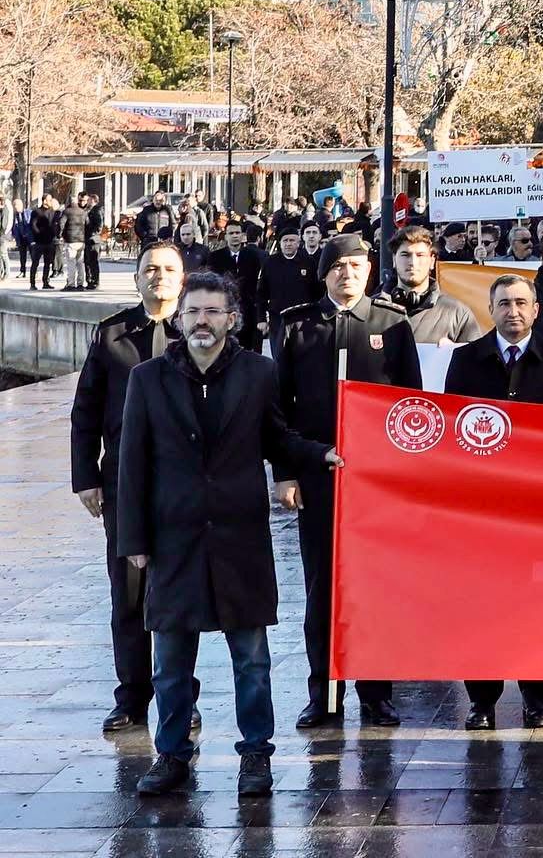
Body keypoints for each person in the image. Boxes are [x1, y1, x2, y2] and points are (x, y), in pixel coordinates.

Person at [119, 272, 341, 797]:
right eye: (194, 310)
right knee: (170, 663)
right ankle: (171, 754)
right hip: (174, 539)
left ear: (232, 319)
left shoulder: (258, 372)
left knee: (252, 659)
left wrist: (319, 455)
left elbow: (275, 437)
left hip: (240, 539)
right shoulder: (147, 379)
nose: (203, 320)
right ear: (179, 318)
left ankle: (256, 755)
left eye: (214, 311)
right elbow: (131, 464)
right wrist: (134, 539)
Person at [274, 234, 423, 729]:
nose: (348, 274)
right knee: (322, 591)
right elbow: (279, 408)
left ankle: (376, 694)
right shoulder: (297, 326)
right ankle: (324, 694)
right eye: (339, 266)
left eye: (357, 266)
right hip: (317, 476)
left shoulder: (391, 324)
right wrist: (287, 472)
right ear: (325, 273)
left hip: (375, 482)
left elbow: (412, 408)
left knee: (373, 588)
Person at [71, 241, 201, 734]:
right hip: (125, 485)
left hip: (184, 487)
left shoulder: (198, 331)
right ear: (137, 278)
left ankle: (181, 698)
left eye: (169, 269)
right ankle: (131, 697)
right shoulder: (113, 336)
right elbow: (85, 410)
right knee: (128, 596)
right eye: (151, 269)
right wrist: (86, 476)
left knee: (179, 596)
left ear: (183, 277)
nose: (159, 277)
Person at [443, 274, 543, 729]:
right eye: (504, 303)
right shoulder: (466, 360)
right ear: (491, 307)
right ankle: (481, 700)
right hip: (482, 509)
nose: (513, 311)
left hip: (539, 508)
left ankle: (538, 697)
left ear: (536, 309)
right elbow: (453, 433)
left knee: (537, 604)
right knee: (480, 602)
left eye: (522, 303)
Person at [387, 226, 483, 344]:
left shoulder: (458, 312)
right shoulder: (371, 311)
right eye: (405, 255)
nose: (412, 262)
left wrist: (456, 353)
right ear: (394, 260)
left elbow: (478, 359)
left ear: (432, 261)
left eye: (420, 255)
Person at [256, 225, 319, 357]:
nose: (288, 244)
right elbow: (261, 293)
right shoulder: (270, 262)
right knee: (279, 357)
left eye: (292, 241)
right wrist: (261, 318)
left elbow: (317, 291)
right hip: (278, 319)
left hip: (303, 319)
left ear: (298, 243)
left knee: (302, 357)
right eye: (285, 241)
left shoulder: (308, 262)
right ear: (280, 243)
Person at [209, 220, 265, 353]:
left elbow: (258, 284)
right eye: (231, 233)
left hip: (249, 311)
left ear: (243, 235)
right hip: (225, 310)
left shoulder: (253, 256)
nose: (235, 236)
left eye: (237, 233)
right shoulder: (215, 258)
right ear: (226, 236)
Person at [58, 194, 88, 291]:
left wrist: (60, 235)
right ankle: (81, 283)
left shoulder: (66, 212)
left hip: (70, 240)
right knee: (80, 263)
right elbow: (87, 224)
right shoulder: (83, 212)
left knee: (71, 262)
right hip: (81, 240)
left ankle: (71, 284)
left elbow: (61, 224)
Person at [28, 195, 55, 290]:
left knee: (48, 263)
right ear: (44, 201)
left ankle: (46, 282)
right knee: (35, 262)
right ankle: (32, 283)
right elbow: (33, 225)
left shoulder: (52, 211)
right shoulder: (36, 212)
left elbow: (53, 224)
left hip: (49, 241)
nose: (51, 201)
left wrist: (53, 234)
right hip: (39, 241)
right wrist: (38, 235)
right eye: (49, 200)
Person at [84, 192, 104, 289]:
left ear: (94, 201)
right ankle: (90, 280)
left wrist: (93, 234)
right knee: (88, 261)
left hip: (94, 239)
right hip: (87, 238)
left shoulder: (97, 210)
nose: (87, 202)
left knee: (93, 261)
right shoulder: (87, 210)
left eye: (89, 200)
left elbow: (99, 225)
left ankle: (95, 281)